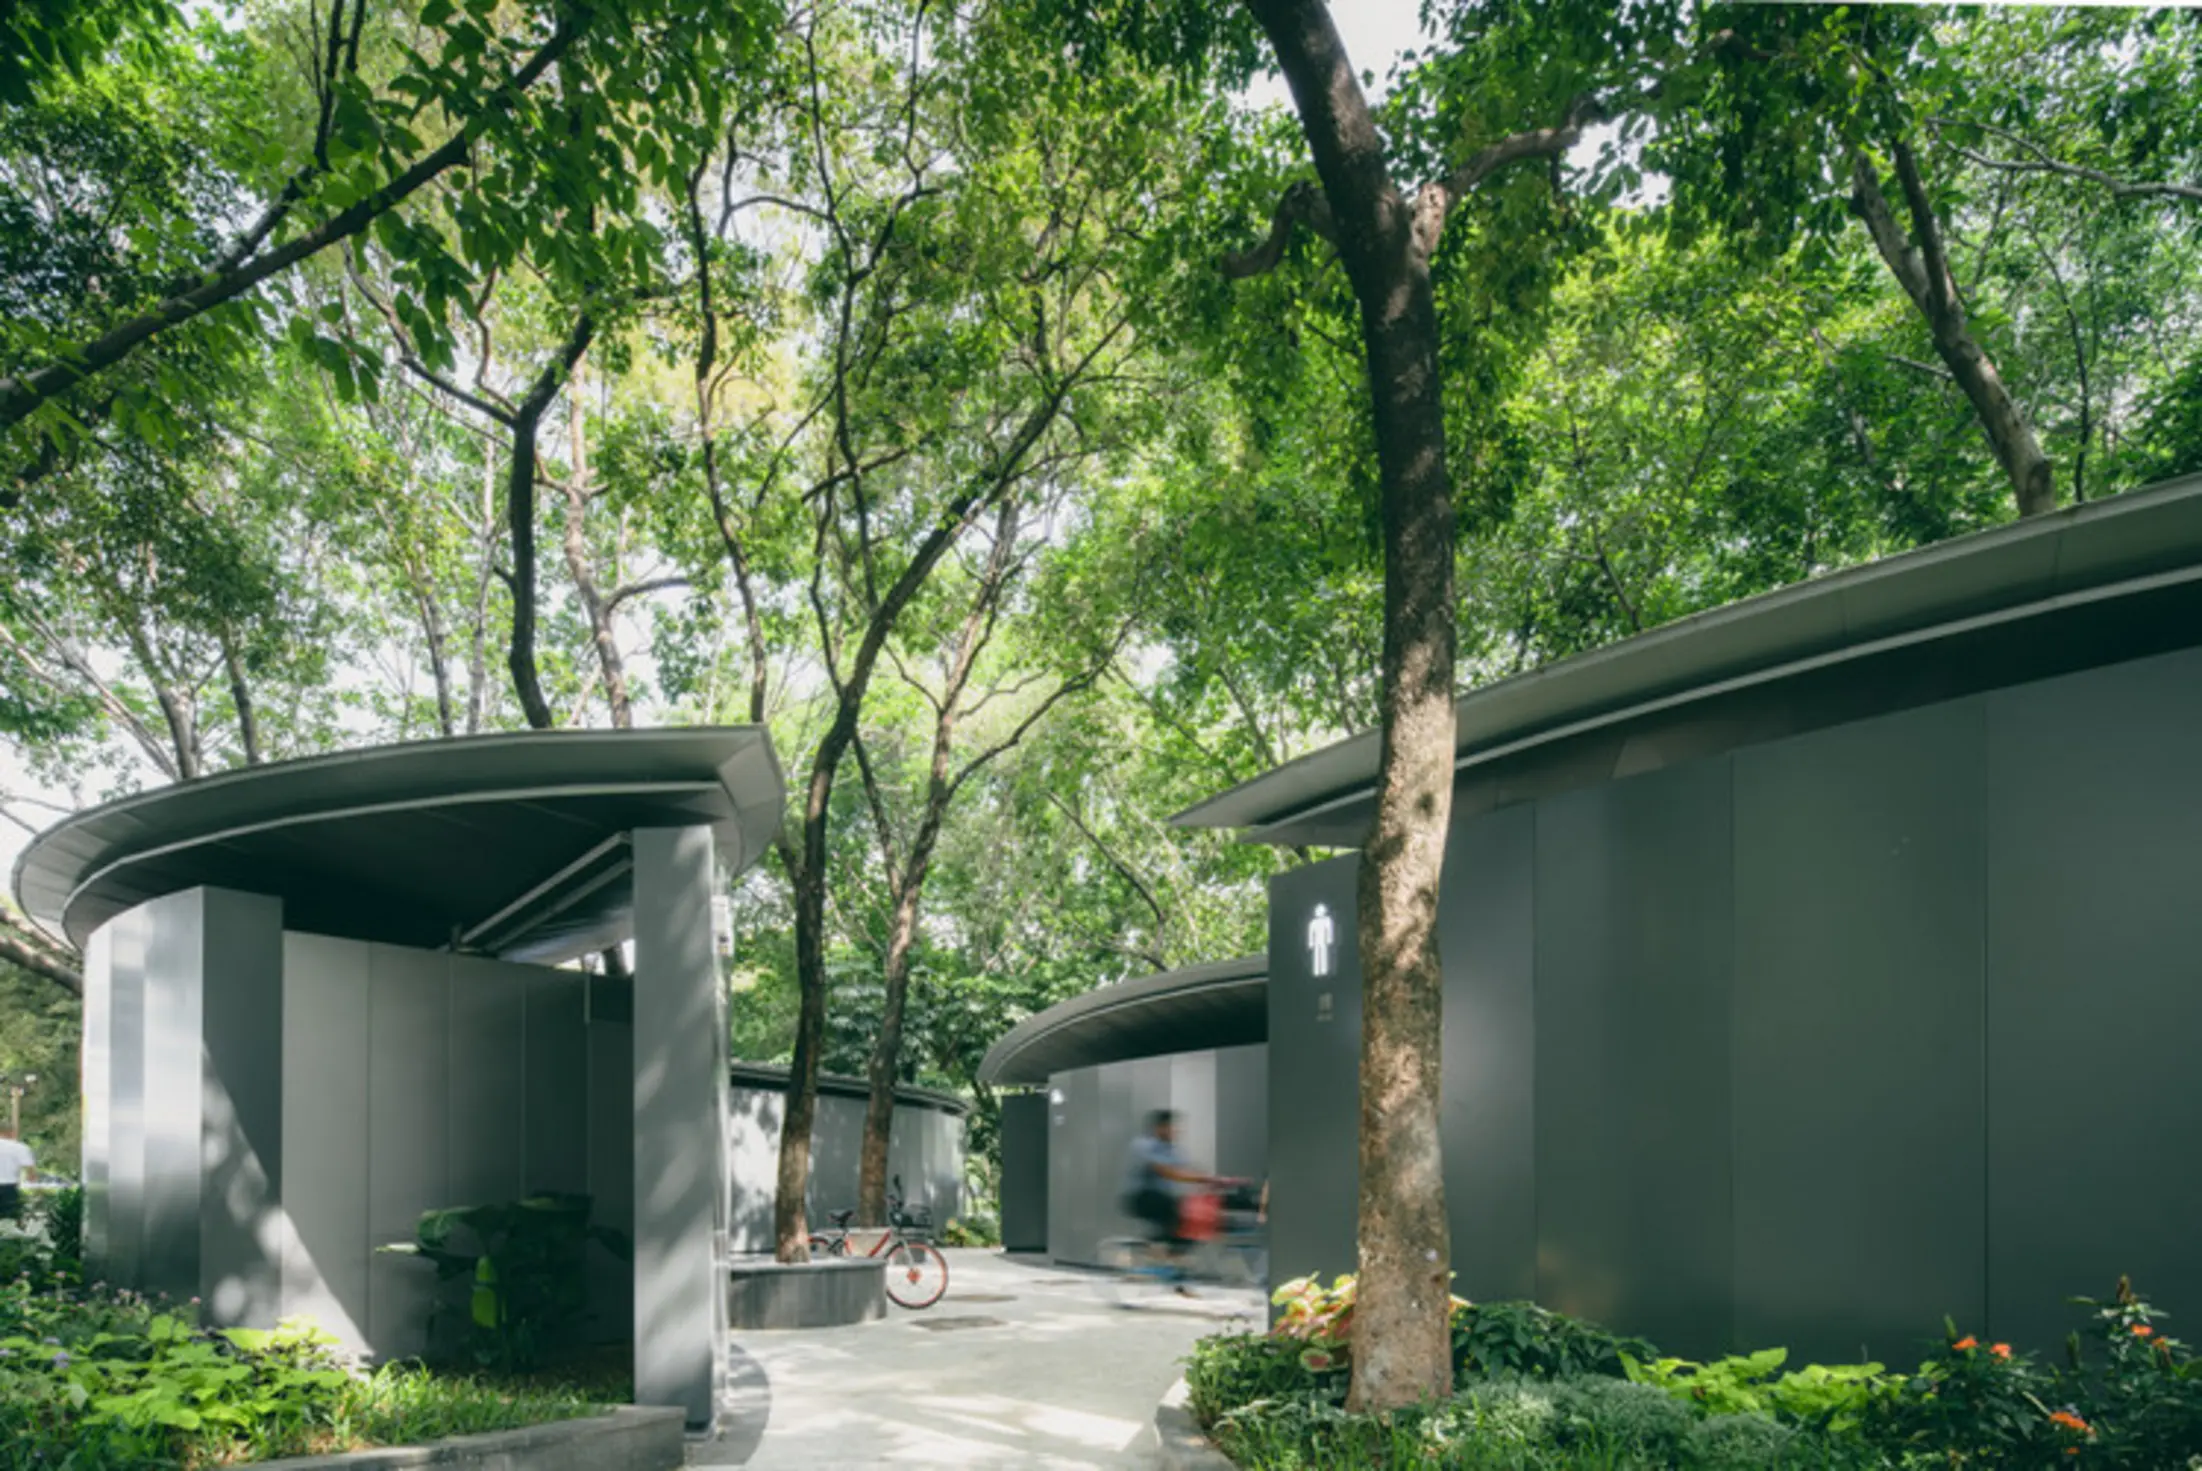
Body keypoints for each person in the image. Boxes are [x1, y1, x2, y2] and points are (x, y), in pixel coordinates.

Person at [1118, 1109, 1216, 1291]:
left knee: (1197, 1220)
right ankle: (1153, 1250)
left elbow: (1188, 1169)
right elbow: (1165, 1171)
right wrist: (1200, 1179)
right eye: (1171, 1127)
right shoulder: (1144, 1145)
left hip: (1165, 1199)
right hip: (1141, 1197)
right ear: (1159, 1128)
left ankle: (1171, 1261)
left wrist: (1213, 1180)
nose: (1175, 1131)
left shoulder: (1175, 1149)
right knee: (1175, 1213)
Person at [0, 1126, 34, 1224]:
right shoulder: (20, 1147)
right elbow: (30, 1171)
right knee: (8, 1219)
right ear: (11, 1133)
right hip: (9, 1187)